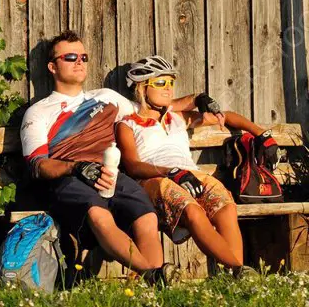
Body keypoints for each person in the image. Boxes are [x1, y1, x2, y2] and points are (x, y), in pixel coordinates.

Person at [20, 31, 201, 279]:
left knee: (146, 215)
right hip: (70, 178)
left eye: (83, 56)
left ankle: (157, 284)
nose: (79, 62)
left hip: (110, 173)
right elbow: (38, 166)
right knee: (98, 213)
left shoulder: (106, 98)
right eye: (70, 57)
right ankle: (153, 275)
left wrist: (197, 99)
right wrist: (74, 168)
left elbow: (151, 106)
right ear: (52, 66)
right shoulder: (38, 112)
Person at [115, 55, 275, 270]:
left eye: (170, 83)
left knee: (225, 206)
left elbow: (226, 116)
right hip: (155, 178)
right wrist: (171, 172)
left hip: (190, 173)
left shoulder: (178, 118)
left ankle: (236, 279)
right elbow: (133, 165)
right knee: (192, 211)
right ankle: (238, 270)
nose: (168, 88)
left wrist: (263, 134)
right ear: (142, 88)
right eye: (160, 83)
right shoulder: (127, 124)